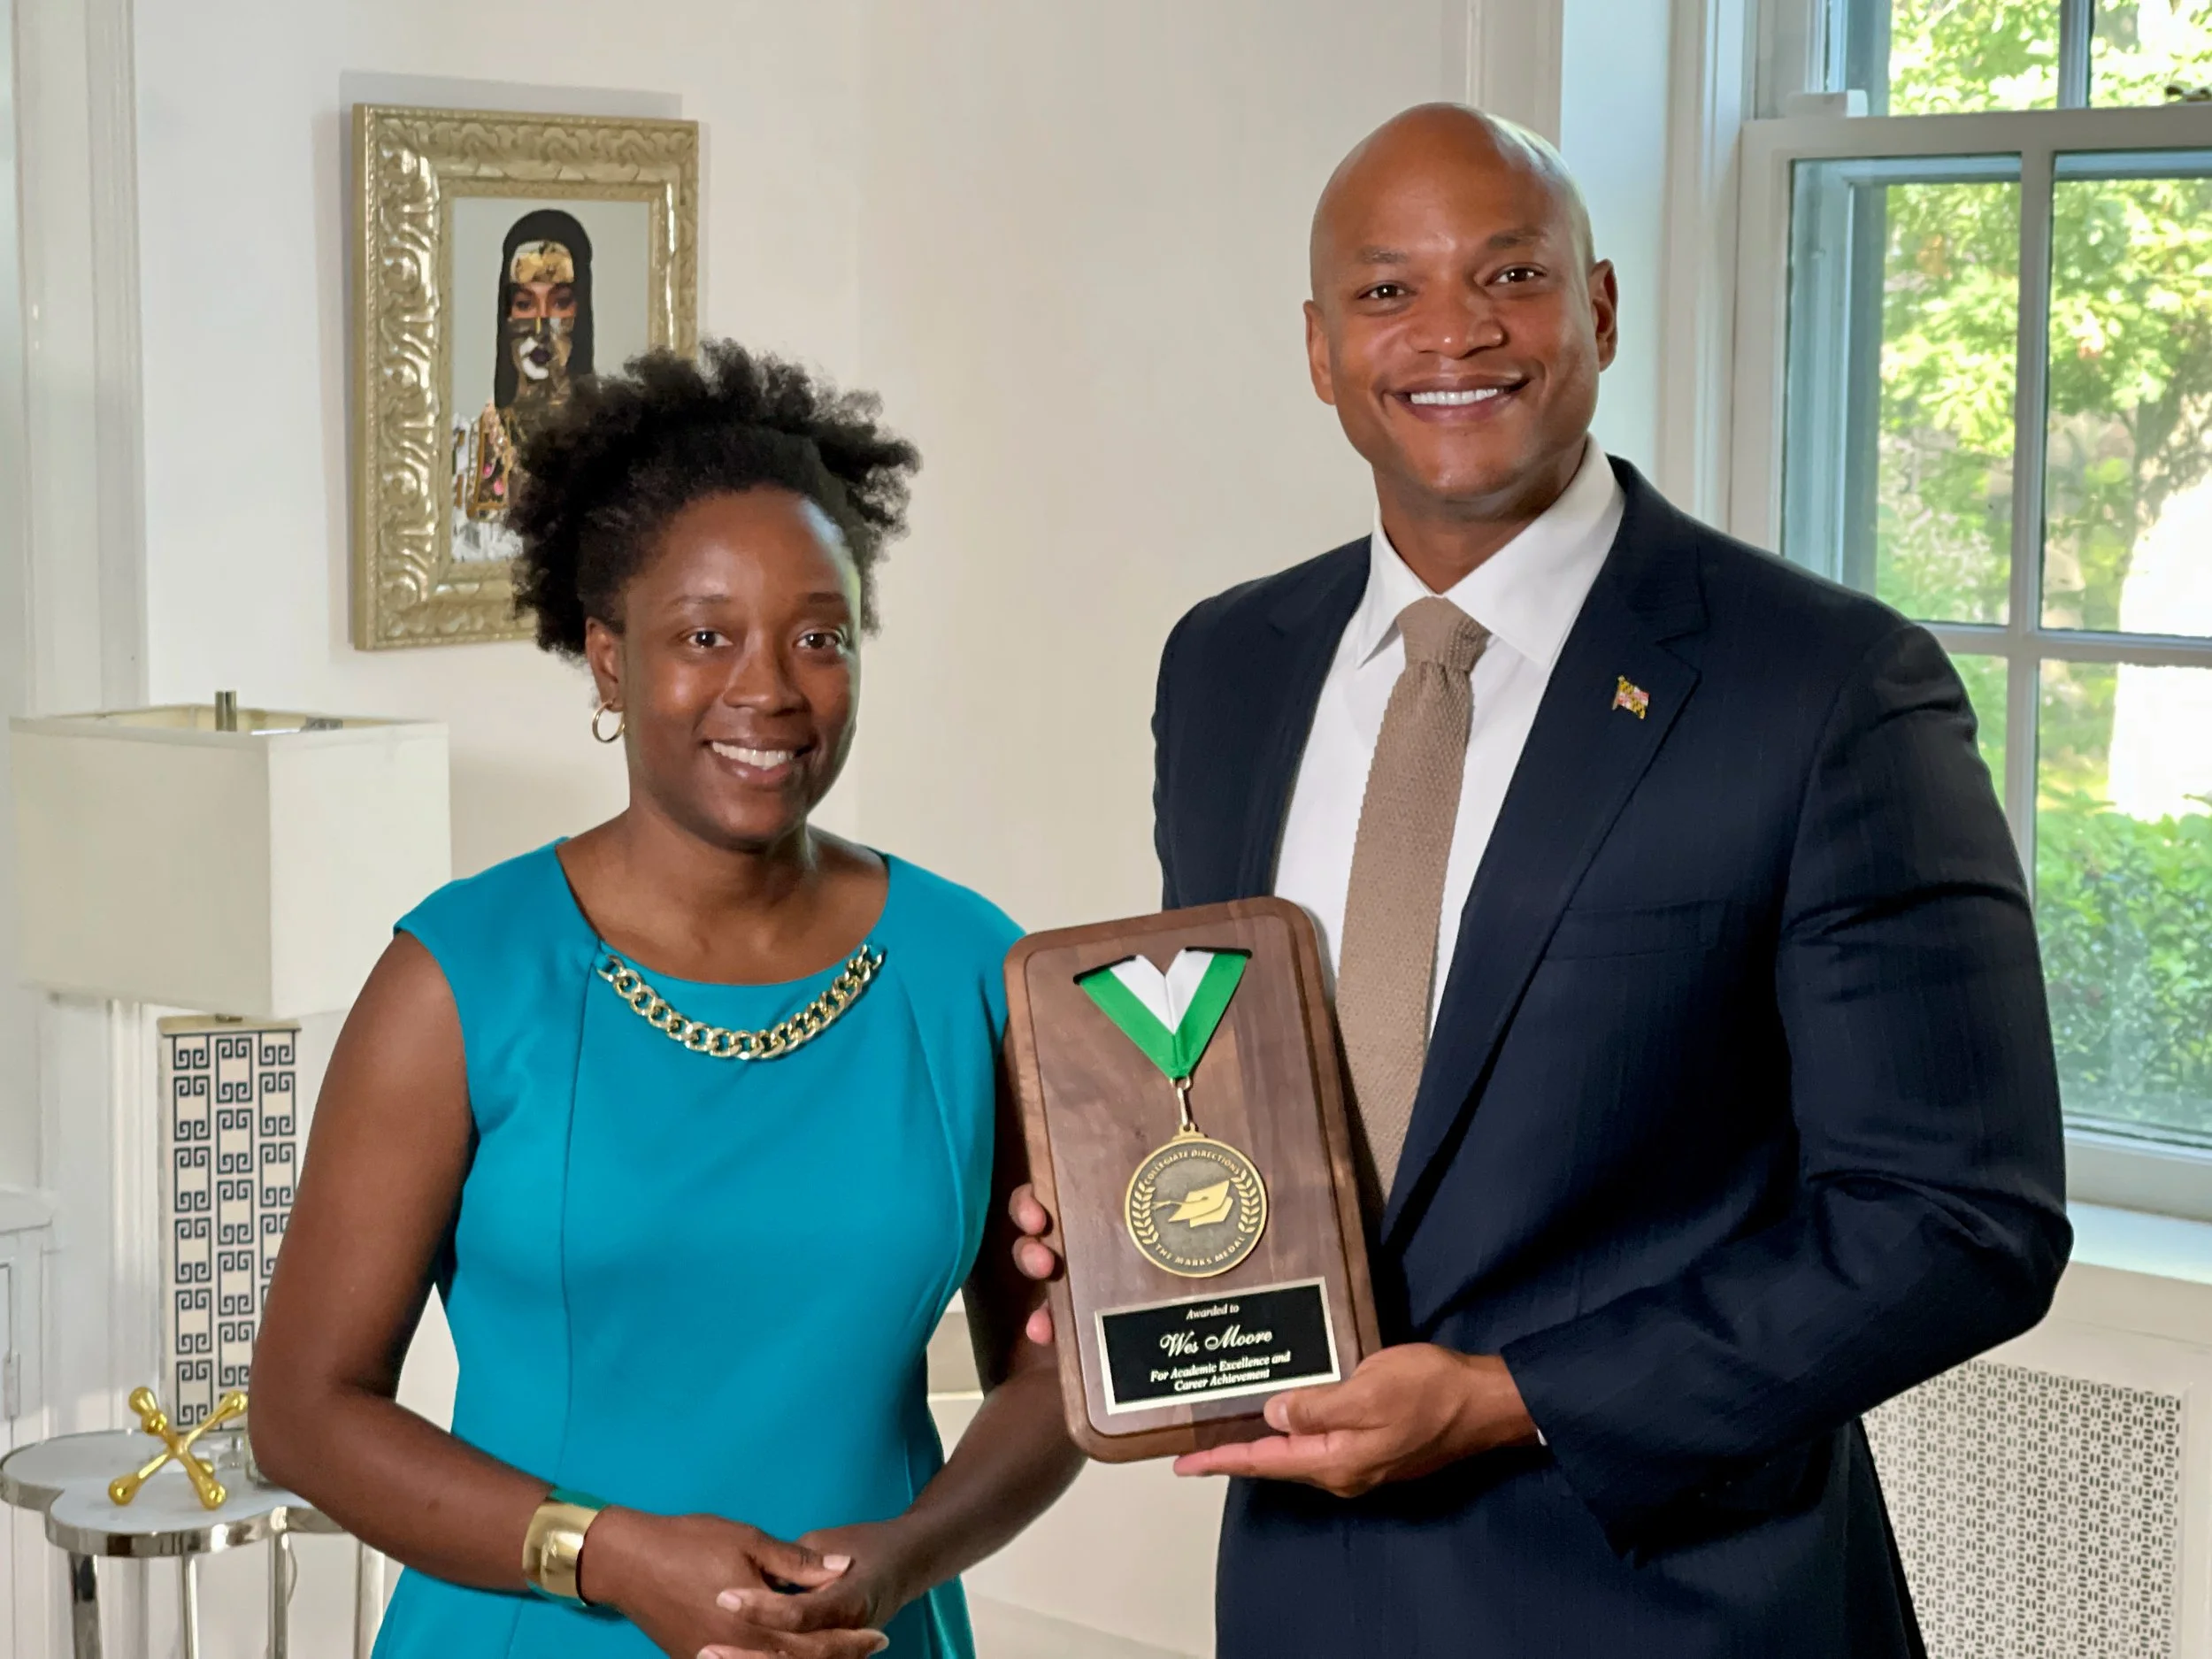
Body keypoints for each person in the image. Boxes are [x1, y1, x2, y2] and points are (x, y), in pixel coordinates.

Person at [1010, 104, 2068, 1655]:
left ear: (1602, 307)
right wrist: (1125, 1224)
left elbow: (1959, 1216)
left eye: (1510, 274)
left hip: (1680, 1598)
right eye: (1388, 292)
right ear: (1321, 348)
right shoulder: (1230, 664)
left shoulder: (1827, 685)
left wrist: (1511, 1401)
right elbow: (1253, 1087)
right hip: (1310, 1590)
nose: (1455, 332)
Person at [255, 342, 1080, 1659]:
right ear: (605, 660)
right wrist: (608, 1555)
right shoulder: (462, 975)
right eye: (705, 636)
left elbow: (1057, 1362)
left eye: (819, 635)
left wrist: (909, 1554)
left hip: (866, 1636)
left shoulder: (973, 966)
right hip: (529, 1632)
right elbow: (303, 1410)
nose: (768, 687)